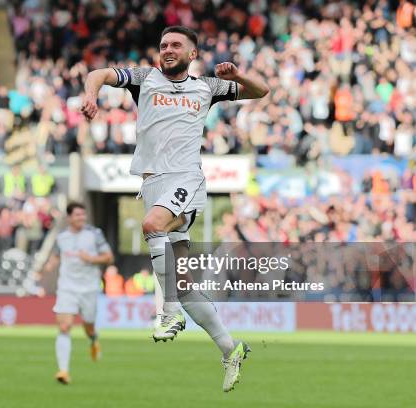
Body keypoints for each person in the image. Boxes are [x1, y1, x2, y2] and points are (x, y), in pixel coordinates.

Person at [80, 25, 269, 392]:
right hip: (152, 183)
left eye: (176, 45)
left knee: (152, 225)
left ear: (192, 54)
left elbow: (262, 91)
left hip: (185, 179)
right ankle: (231, 348)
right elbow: (98, 73)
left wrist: (238, 76)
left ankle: (167, 313)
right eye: (163, 44)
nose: (167, 49)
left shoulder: (207, 87)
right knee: (183, 286)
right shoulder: (144, 79)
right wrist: (91, 96)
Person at [44, 202, 114, 385]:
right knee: (64, 326)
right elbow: (56, 256)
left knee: (88, 326)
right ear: (69, 218)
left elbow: (109, 257)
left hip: (89, 287)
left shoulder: (94, 234)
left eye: (83, 215)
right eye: (78, 215)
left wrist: (91, 258)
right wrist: (48, 266)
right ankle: (63, 371)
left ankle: (93, 338)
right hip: (67, 287)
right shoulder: (61, 238)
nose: (81, 218)